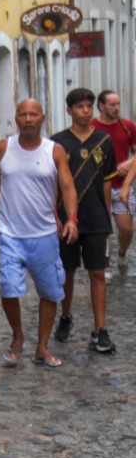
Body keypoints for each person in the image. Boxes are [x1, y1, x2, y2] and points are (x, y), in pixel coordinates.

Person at [0, 99, 80, 367]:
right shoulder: (4, 148)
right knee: (9, 289)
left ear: (42, 118)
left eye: (33, 114)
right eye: (23, 114)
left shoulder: (55, 151)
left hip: (45, 233)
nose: (28, 119)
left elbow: (69, 188)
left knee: (49, 291)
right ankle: (18, 337)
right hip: (10, 233)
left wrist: (71, 219)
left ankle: (42, 347)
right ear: (16, 118)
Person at [50, 88, 119, 353]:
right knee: (66, 272)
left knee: (98, 272)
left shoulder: (104, 141)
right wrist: (55, 216)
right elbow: (53, 184)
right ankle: (65, 316)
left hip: (96, 218)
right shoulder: (57, 143)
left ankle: (100, 329)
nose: (86, 111)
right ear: (69, 110)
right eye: (80, 107)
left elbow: (106, 181)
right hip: (67, 219)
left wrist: (107, 215)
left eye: (89, 106)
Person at [92, 89, 136, 277]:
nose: (117, 107)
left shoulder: (128, 127)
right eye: (112, 104)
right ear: (101, 106)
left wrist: (130, 162)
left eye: (118, 104)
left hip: (121, 186)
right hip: (98, 187)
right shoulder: (91, 127)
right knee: (103, 228)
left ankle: (122, 253)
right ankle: (106, 263)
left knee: (126, 228)